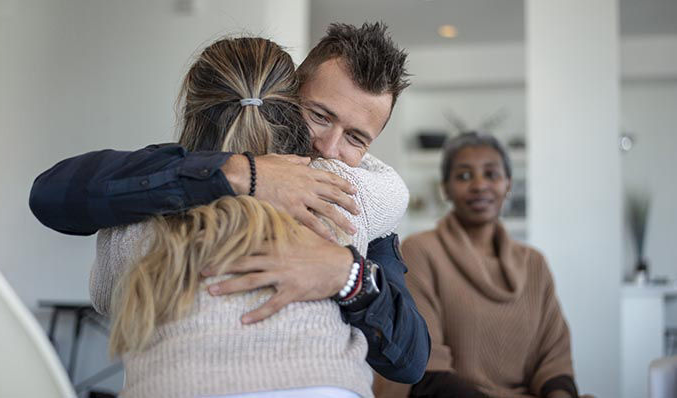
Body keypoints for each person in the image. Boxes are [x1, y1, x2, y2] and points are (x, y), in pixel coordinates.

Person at [29, 22, 430, 383]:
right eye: (320, 115)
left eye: (356, 139)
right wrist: (240, 173)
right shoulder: (178, 166)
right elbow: (51, 196)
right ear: (289, 93)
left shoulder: (356, 195)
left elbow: (410, 360)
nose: (328, 146)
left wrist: (350, 276)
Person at [374, 132, 580, 398]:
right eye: (464, 176)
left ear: (508, 184)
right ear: (445, 188)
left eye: (491, 174)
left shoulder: (534, 263)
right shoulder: (421, 251)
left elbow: (554, 359)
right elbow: (425, 367)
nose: (479, 185)